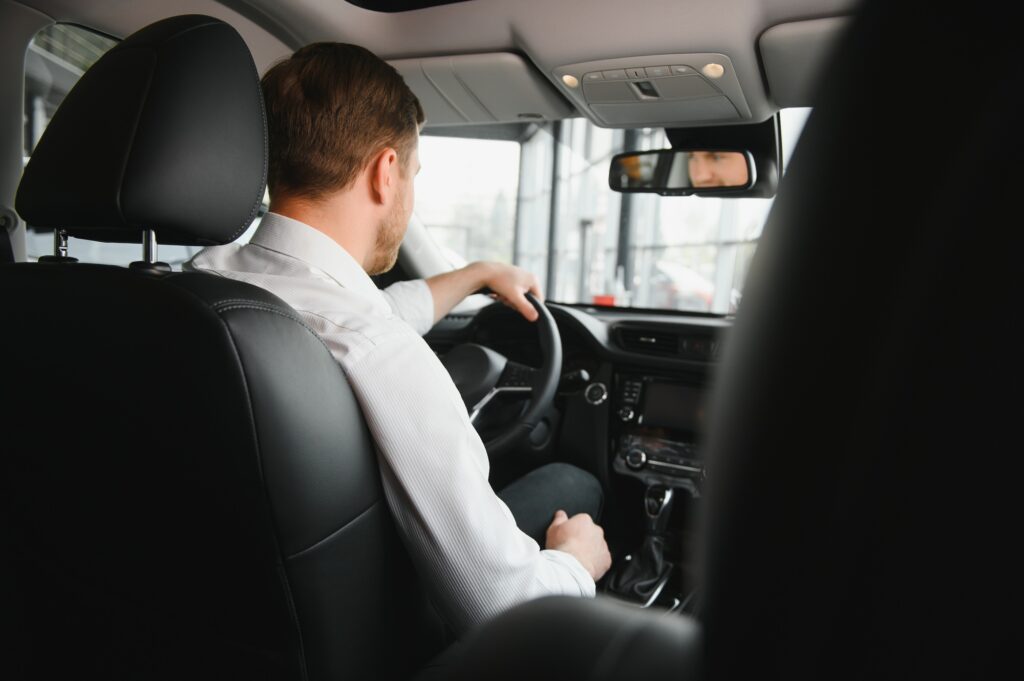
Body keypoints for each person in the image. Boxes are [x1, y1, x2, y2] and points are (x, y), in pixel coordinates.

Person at [185, 43, 611, 635]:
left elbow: (359, 314)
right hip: (378, 634)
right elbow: (501, 606)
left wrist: (479, 274)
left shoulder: (207, 280)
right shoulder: (384, 356)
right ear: (386, 173)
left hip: (229, 608)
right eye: (413, 174)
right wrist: (575, 564)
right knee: (575, 485)